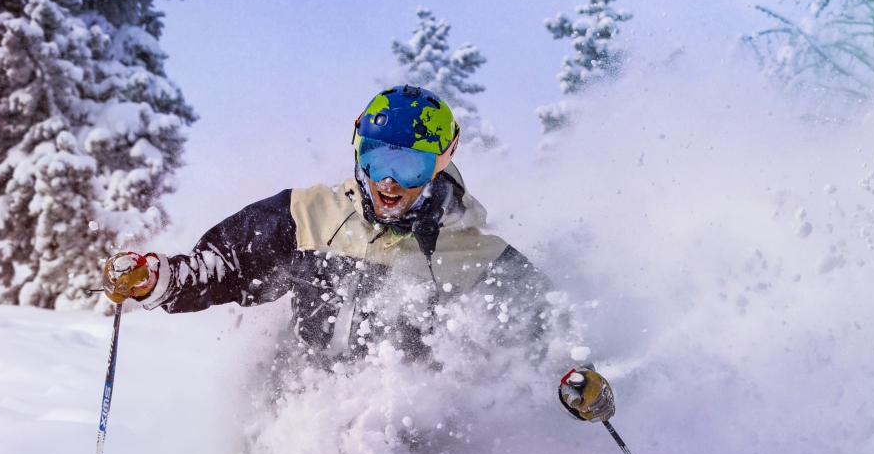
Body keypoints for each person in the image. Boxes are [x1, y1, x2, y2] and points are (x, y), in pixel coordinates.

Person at [101, 85, 614, 421]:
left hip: (405, 432)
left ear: (440, 164)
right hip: (297, 415)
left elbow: (547, 328)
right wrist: (159, 278)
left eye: (410, 167)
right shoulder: (309, 214)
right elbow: (222, 267)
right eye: (375, 159)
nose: (388, 182)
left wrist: (581, 382)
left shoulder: (475, 255)